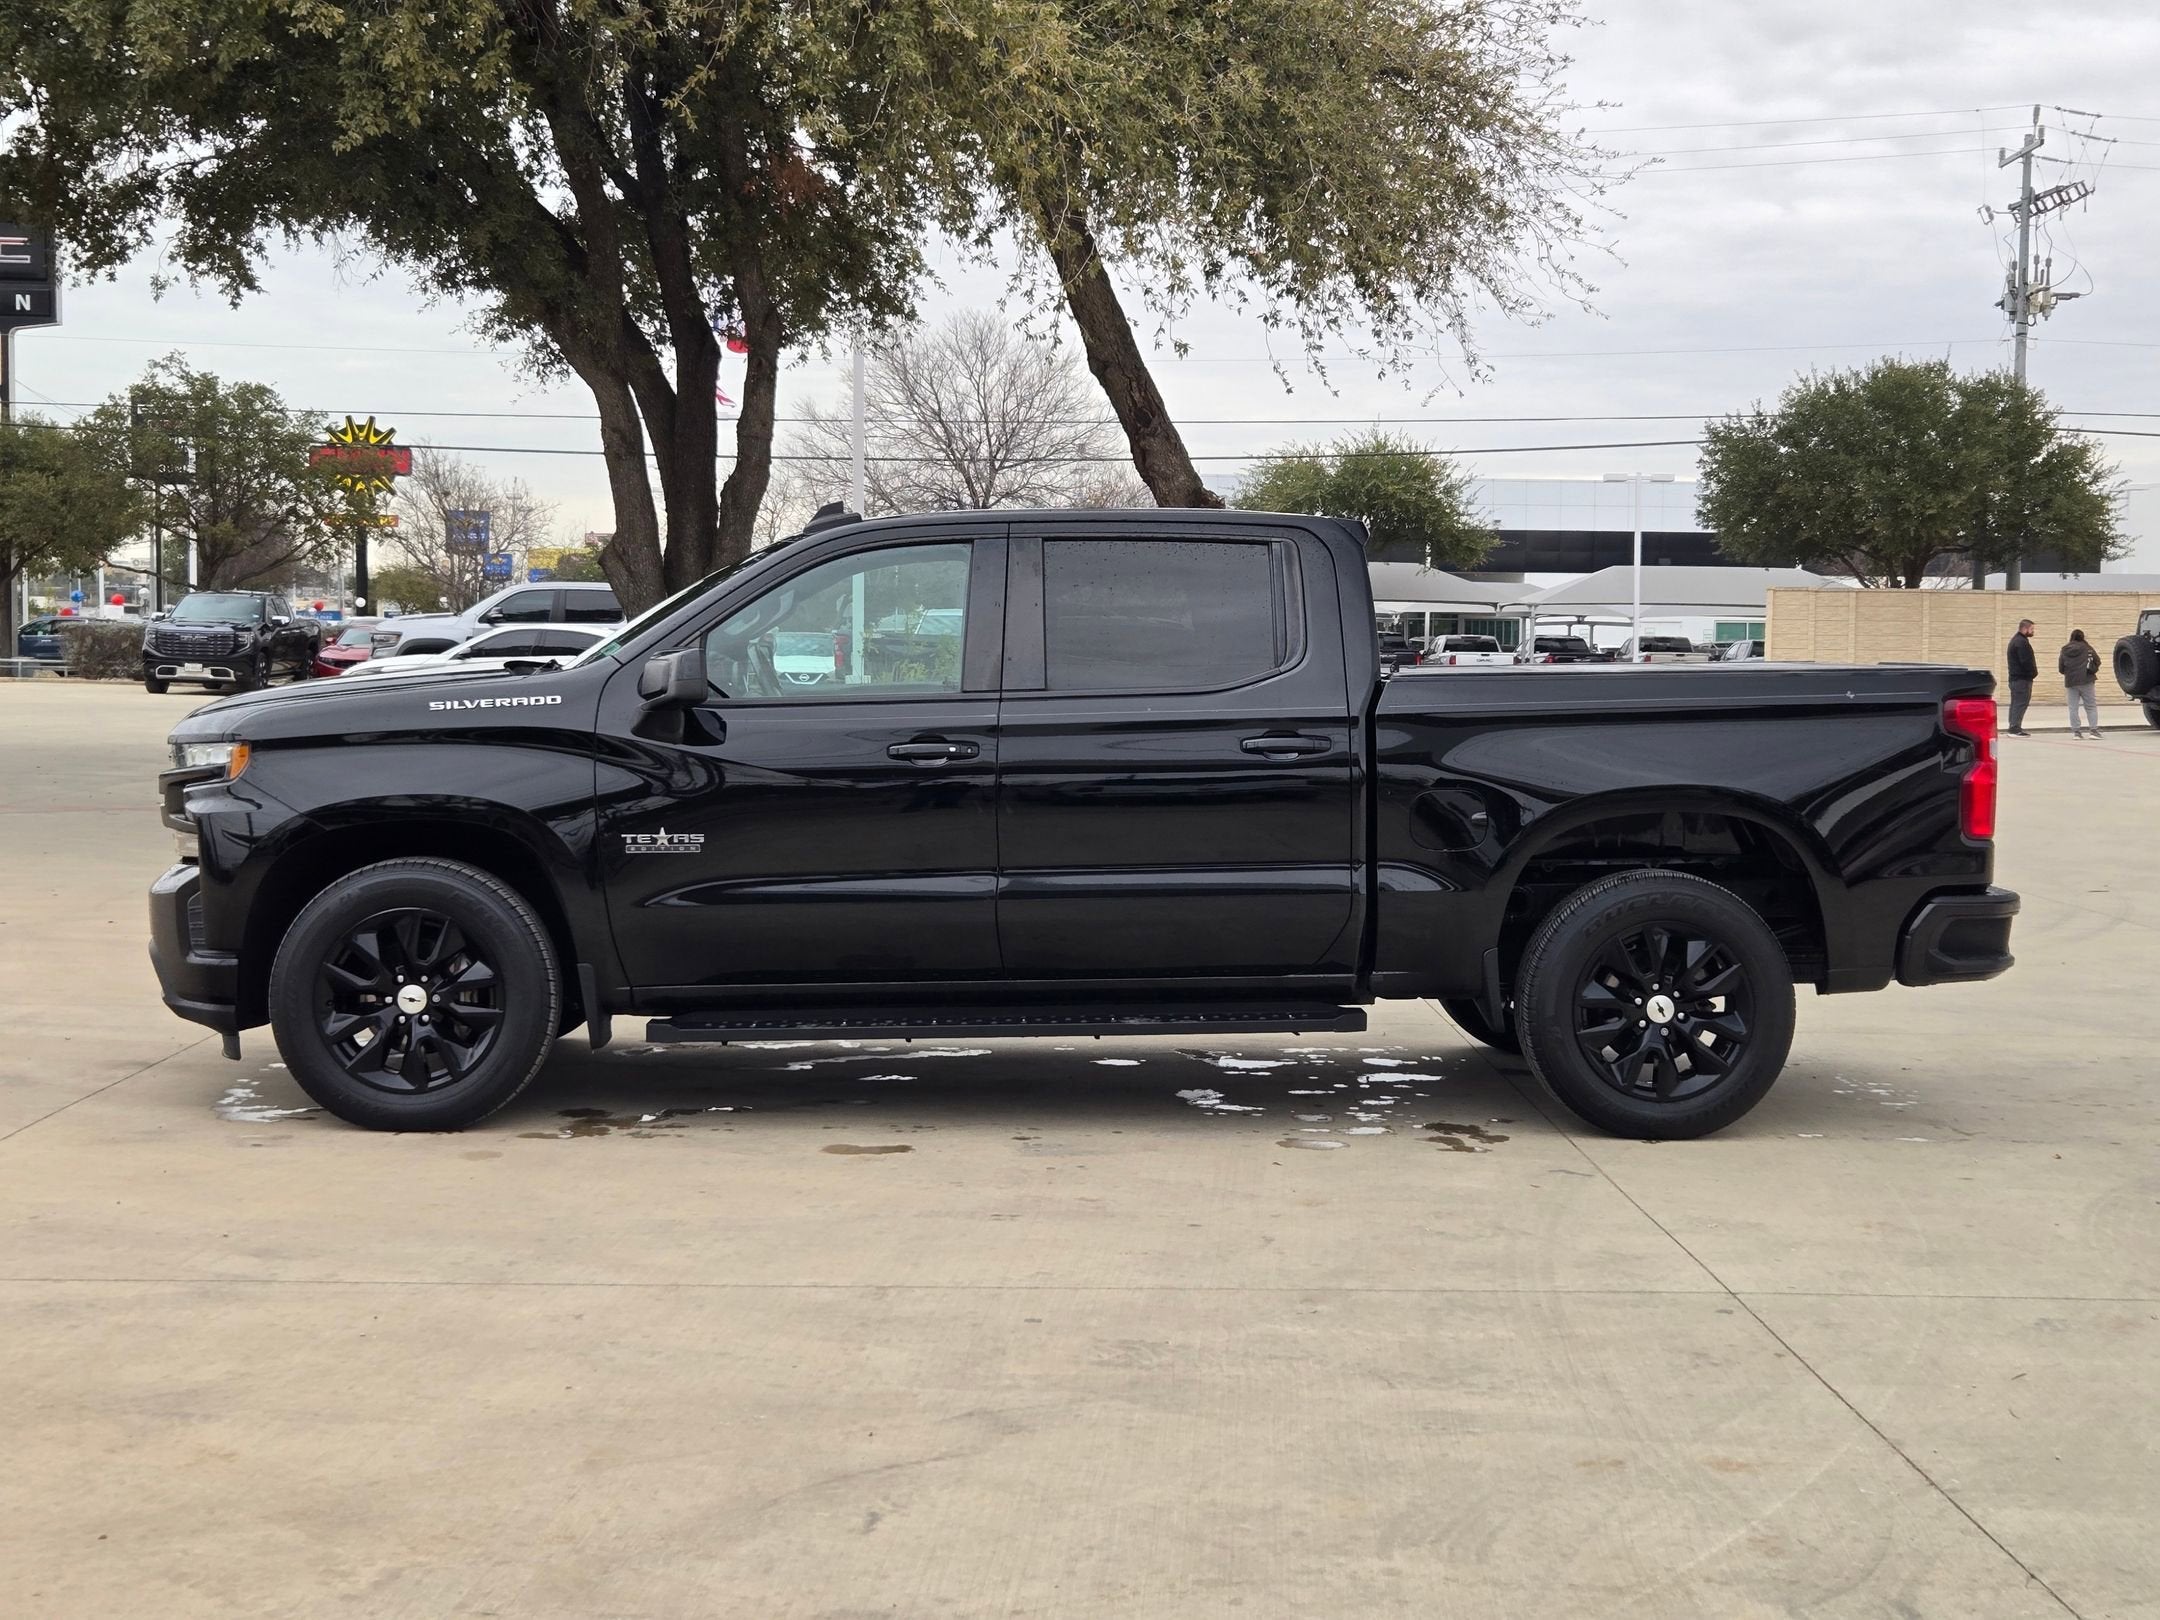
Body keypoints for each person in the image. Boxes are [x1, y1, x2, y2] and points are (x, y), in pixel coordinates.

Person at [2060, 628, 2103, 738]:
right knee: (2090, 706)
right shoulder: (2087, 648)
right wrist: (2092, 670)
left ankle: (2076, 732)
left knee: (2073, 707)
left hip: (2071, 682)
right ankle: (2093, 731)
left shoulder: (2064, 649)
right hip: (2087, 680)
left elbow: (2061, 668)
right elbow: (2097, 661)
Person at [2004, 619, 2037, 736]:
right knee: (2020, 703)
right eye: (2032, 629)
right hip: (2021, 679)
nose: (2033, 632)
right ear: (2025, 628)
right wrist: (2033, 673)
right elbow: (2026, 661)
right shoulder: (2021, 642)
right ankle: (2015, 728)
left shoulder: (2016, 641)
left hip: (2016, 678)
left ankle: (2013, 726)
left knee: (2016, 703)